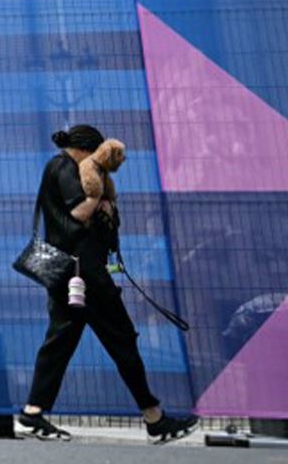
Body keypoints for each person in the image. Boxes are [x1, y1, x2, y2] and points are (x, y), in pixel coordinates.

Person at [17, 124, 198, 444]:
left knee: (60, 342)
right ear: (87, 150)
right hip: (83, 274)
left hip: (70, 274)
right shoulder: (65, 168)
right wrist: (99, 199)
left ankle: (32, 413)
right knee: (122, 339)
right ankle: (154, 418)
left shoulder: (58, 166)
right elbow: (79, 212)